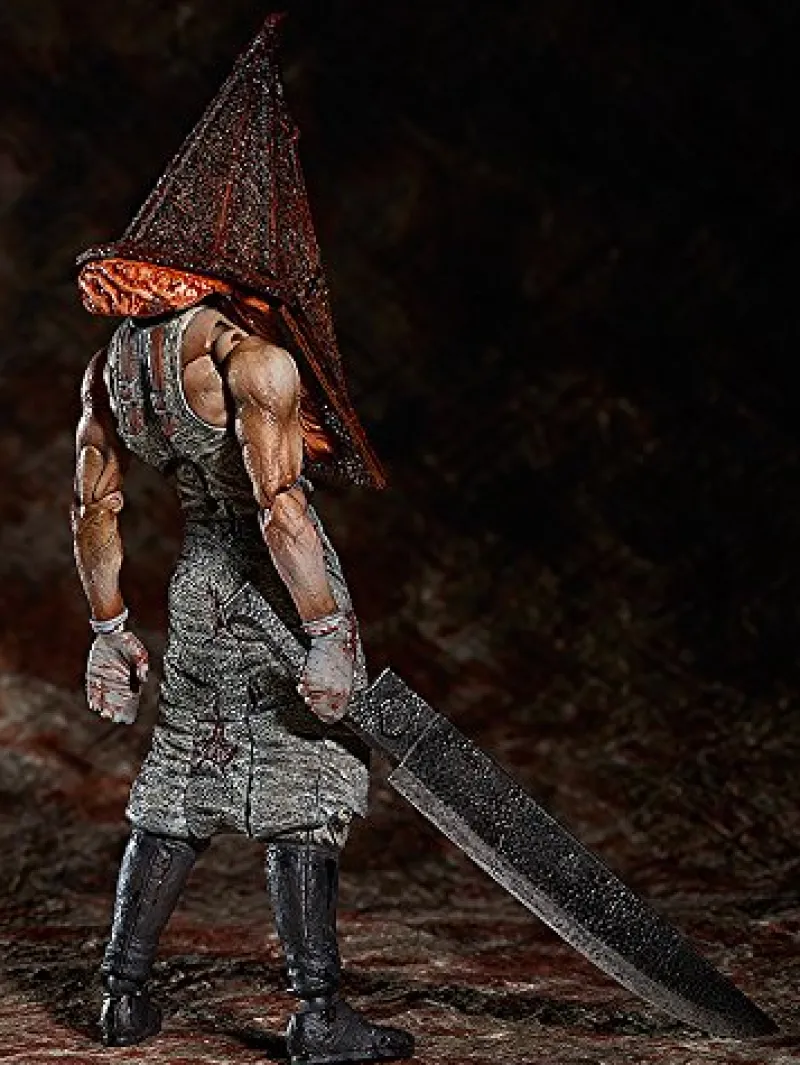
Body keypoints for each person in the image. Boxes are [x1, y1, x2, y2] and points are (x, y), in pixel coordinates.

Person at [70, 15, 414, 1065]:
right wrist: (328, 631)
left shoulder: (113, 367)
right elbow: (280, 511)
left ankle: (121, 996)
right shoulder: (252, 361)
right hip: (269, 585)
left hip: (194, 591)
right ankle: (318, 1015)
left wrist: (110, 629)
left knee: (182, 775)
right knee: (306, 784)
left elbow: (93, 507)